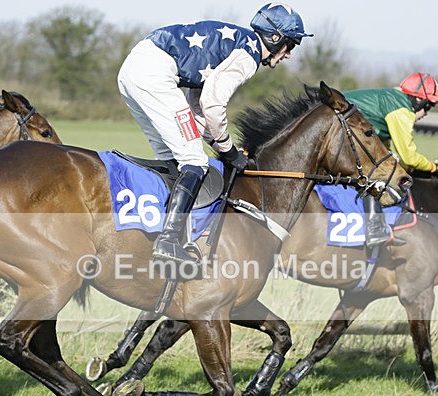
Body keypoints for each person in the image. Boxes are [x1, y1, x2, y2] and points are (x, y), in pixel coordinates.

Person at [117, 3, 312, 265]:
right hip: (154, 74)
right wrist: (228, 150)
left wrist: (219, 144)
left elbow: (197, 108)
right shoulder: (248, 55)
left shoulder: (238, 42)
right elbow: (212, 103)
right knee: (194, 161)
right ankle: (168, 240)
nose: (288, 54)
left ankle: (162, 230)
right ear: (275, 38)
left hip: (135, 69)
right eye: (291, 45)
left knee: (173, 160)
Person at [343, 72, 438, 248]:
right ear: (418, 100)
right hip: (339, 128)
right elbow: (409, 156)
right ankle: (374, 231)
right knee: (377, 174)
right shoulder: (401, 109)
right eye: (428, 107)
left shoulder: (391, 101)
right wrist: (433, 168)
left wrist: (404, 166)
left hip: (341, 126)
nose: (426, 113)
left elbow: (386, 148)